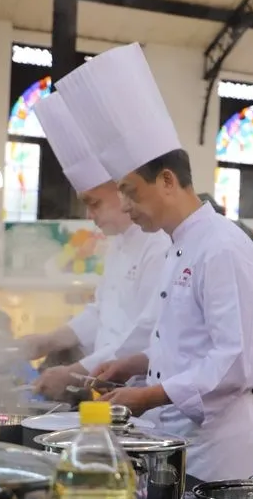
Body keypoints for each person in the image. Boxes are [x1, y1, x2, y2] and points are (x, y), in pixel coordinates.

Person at [54, 43, 253, 480]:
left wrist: (149, 395)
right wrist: (135, 363)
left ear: (168, 181)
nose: (126, 207)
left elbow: (232, 361)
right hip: (174, 442)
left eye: (131, 193)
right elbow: (184, 346)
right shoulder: (178, 245)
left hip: (216, 453)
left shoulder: (221, 246)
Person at [23, 93, 170, 398]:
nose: (90, 217)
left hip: (144, 394)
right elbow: (101, 313)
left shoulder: (159, 243)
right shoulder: (118, 245)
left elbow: (145, 334)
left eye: (95, 203)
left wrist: (75, 372)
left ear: (123, 190)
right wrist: (50, 340)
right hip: (111, 392)